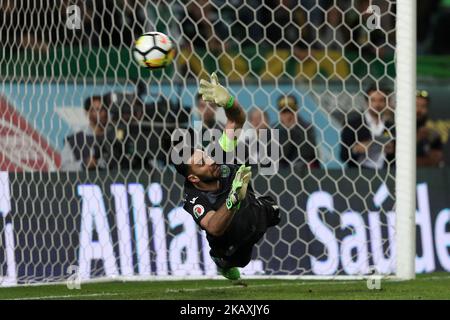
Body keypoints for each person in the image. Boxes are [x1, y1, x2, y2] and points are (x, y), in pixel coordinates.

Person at [172, 73, 280, 280]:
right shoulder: (193, 198)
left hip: (253, 210)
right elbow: (213, 226)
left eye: (205, 155)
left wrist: (229, 102)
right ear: (193, 178)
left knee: (274, 211)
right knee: (239, 261)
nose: (211, 161)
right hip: (231, 236)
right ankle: (221, 262)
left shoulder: (219, 154)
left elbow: (236, 120)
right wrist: (232, 199)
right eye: (202, 163)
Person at [340, 85, 395, 169]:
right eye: (373, 100)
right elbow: (343, 156)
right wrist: (356, 149)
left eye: (381, 100)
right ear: (367, 102)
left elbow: (395, 158)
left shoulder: (391, 126)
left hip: (385, 174)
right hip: (360, 174)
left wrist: (392, 151)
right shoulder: (352, 125)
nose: (377, 104)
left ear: (387, 102)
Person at [61, 95, 107, 171]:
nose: (103, 113)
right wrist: (83, 164)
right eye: (97, 110)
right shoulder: (76, 140)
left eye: (104, 109)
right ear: (87, 113)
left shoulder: (115, 136)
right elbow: (64, 167)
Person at [275, 95, 318, 169]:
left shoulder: (306, 128)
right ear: (280, 113)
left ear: (296, 111)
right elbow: (277, 156)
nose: (288, 115)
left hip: (302, 172)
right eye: (284, 112)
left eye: (290, 111)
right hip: (281, 172)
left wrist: (293, 128)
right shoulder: (274, 129)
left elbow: (308, 153)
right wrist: (287, 130)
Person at [416, 90, 444, 167]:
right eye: (416, 105)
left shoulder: (433, 134)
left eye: (423, 106)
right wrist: (417, 138)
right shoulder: (396, 130)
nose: (419, 110)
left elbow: (434, 162)